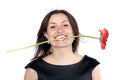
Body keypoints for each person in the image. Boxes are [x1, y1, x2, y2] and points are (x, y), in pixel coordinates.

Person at [24, 9, 101, 80]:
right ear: (46, 35)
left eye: (65, 25)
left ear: (74, 31)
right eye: (53, 26)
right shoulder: (33, 69)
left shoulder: (91, 66)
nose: (60, 30)